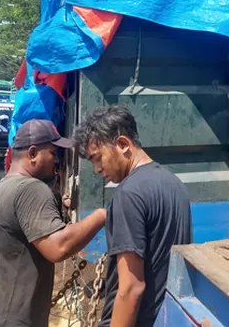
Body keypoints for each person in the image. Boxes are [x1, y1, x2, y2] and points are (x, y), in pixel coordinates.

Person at [0, 119, 107, 327]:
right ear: (33, 154)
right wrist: (102, 215)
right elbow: (57, 247)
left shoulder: (2, 188)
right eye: (53, 153)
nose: (57, 161)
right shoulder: (31, 189)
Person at [75, 105, 192, 327]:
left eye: (97, 158)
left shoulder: (128, 195)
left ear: (123, 144)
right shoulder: (173, 183)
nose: (97, 169)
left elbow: (131, 289)